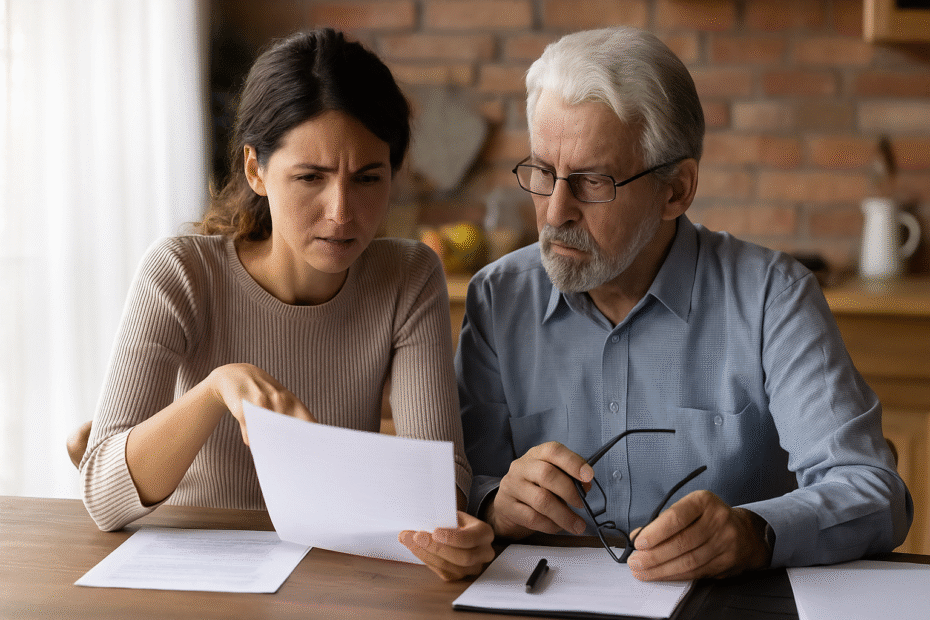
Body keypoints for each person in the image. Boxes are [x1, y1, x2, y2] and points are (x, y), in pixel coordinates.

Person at [457, 26, 912, 582]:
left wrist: (753, 533)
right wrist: (495, 504)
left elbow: (874, 492)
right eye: (543, 173)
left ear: (676, 190)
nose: (555, 214)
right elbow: (460, 485)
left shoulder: (774, 297)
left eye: (593, 182)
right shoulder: (497, 297)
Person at [80, 28, 493, 581]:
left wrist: (449, 532)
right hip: (188, 581)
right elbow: (103, 499)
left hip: (331, 581)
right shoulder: (180, 272)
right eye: (310, 178)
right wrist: (218, 388)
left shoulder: (408, 274)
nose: (342, 211)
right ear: (256, 170)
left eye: (368, 178)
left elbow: (437, 488)